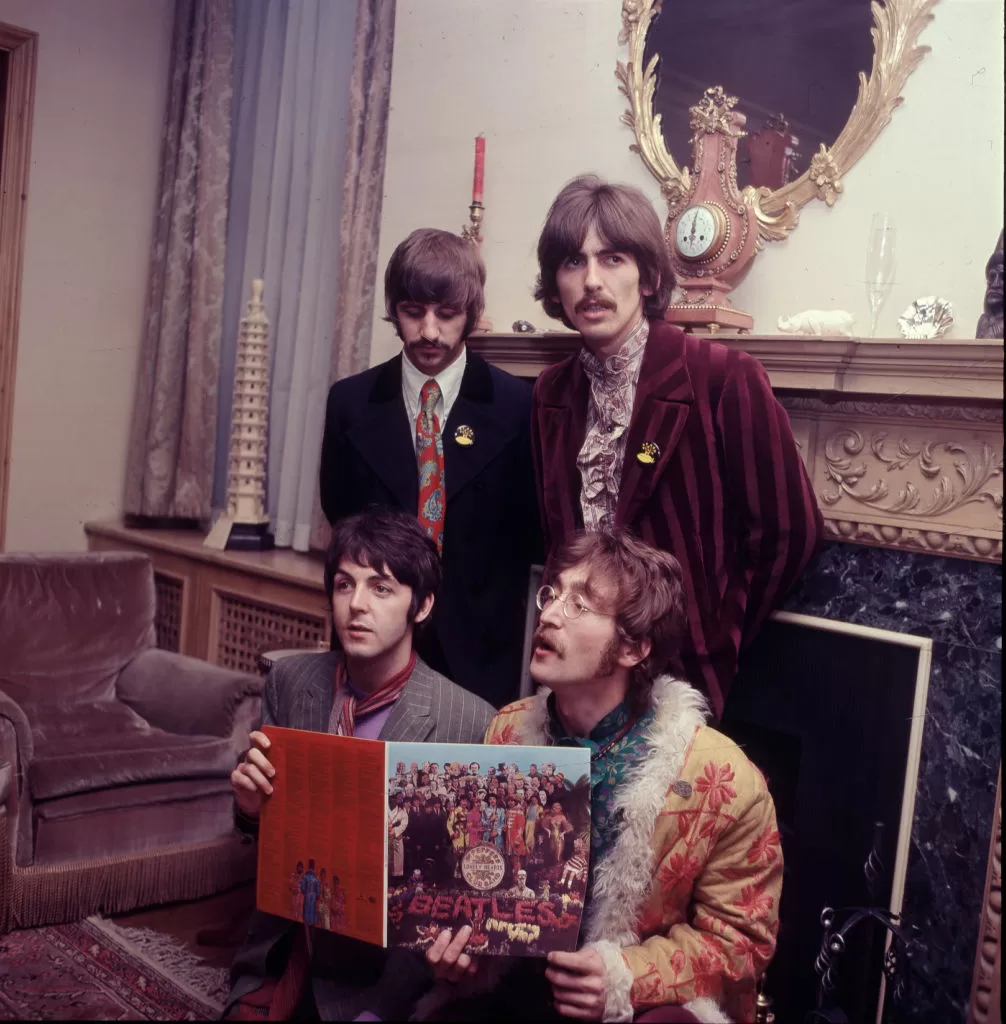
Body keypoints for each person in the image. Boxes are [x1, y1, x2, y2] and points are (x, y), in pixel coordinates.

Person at [423, 528, 782, 1023]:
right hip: (522, 987)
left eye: (580, 605)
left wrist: (623, 978)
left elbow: (741, 944)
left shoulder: (722, 778)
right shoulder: (507, 729)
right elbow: (482, 884)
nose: (547, 613)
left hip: (640, 1010)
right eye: (553, 595)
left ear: (634, 649)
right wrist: (462, 949)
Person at [529, 175, 822, 718]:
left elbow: (791, 531)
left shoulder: (722, 376)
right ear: (556, 284)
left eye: (613, 258)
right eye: (574, 262)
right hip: (578, 676)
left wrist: (714, 634)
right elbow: (558, 538)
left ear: (649, 276)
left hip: (678, 679)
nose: (592, 280)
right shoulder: (551, 391)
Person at [224, 508, 495, 1021]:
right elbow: (267, 839)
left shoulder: (468, 719)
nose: (356, 606)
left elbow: (459, 889)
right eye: (345, 585)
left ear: (422, 605)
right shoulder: (291, 681)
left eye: (382, 588)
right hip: (290, 945)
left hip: (386, 972)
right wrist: (250, 808)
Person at [319, 227, 542, 709]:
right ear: (394, 311)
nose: (429, 332)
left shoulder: (518, 405)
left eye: (447, 314)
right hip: (373, 645)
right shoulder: (350, 403)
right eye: (413, 312)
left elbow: (530, 535)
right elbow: (339, 514)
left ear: (471, 314)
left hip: (480, 654)